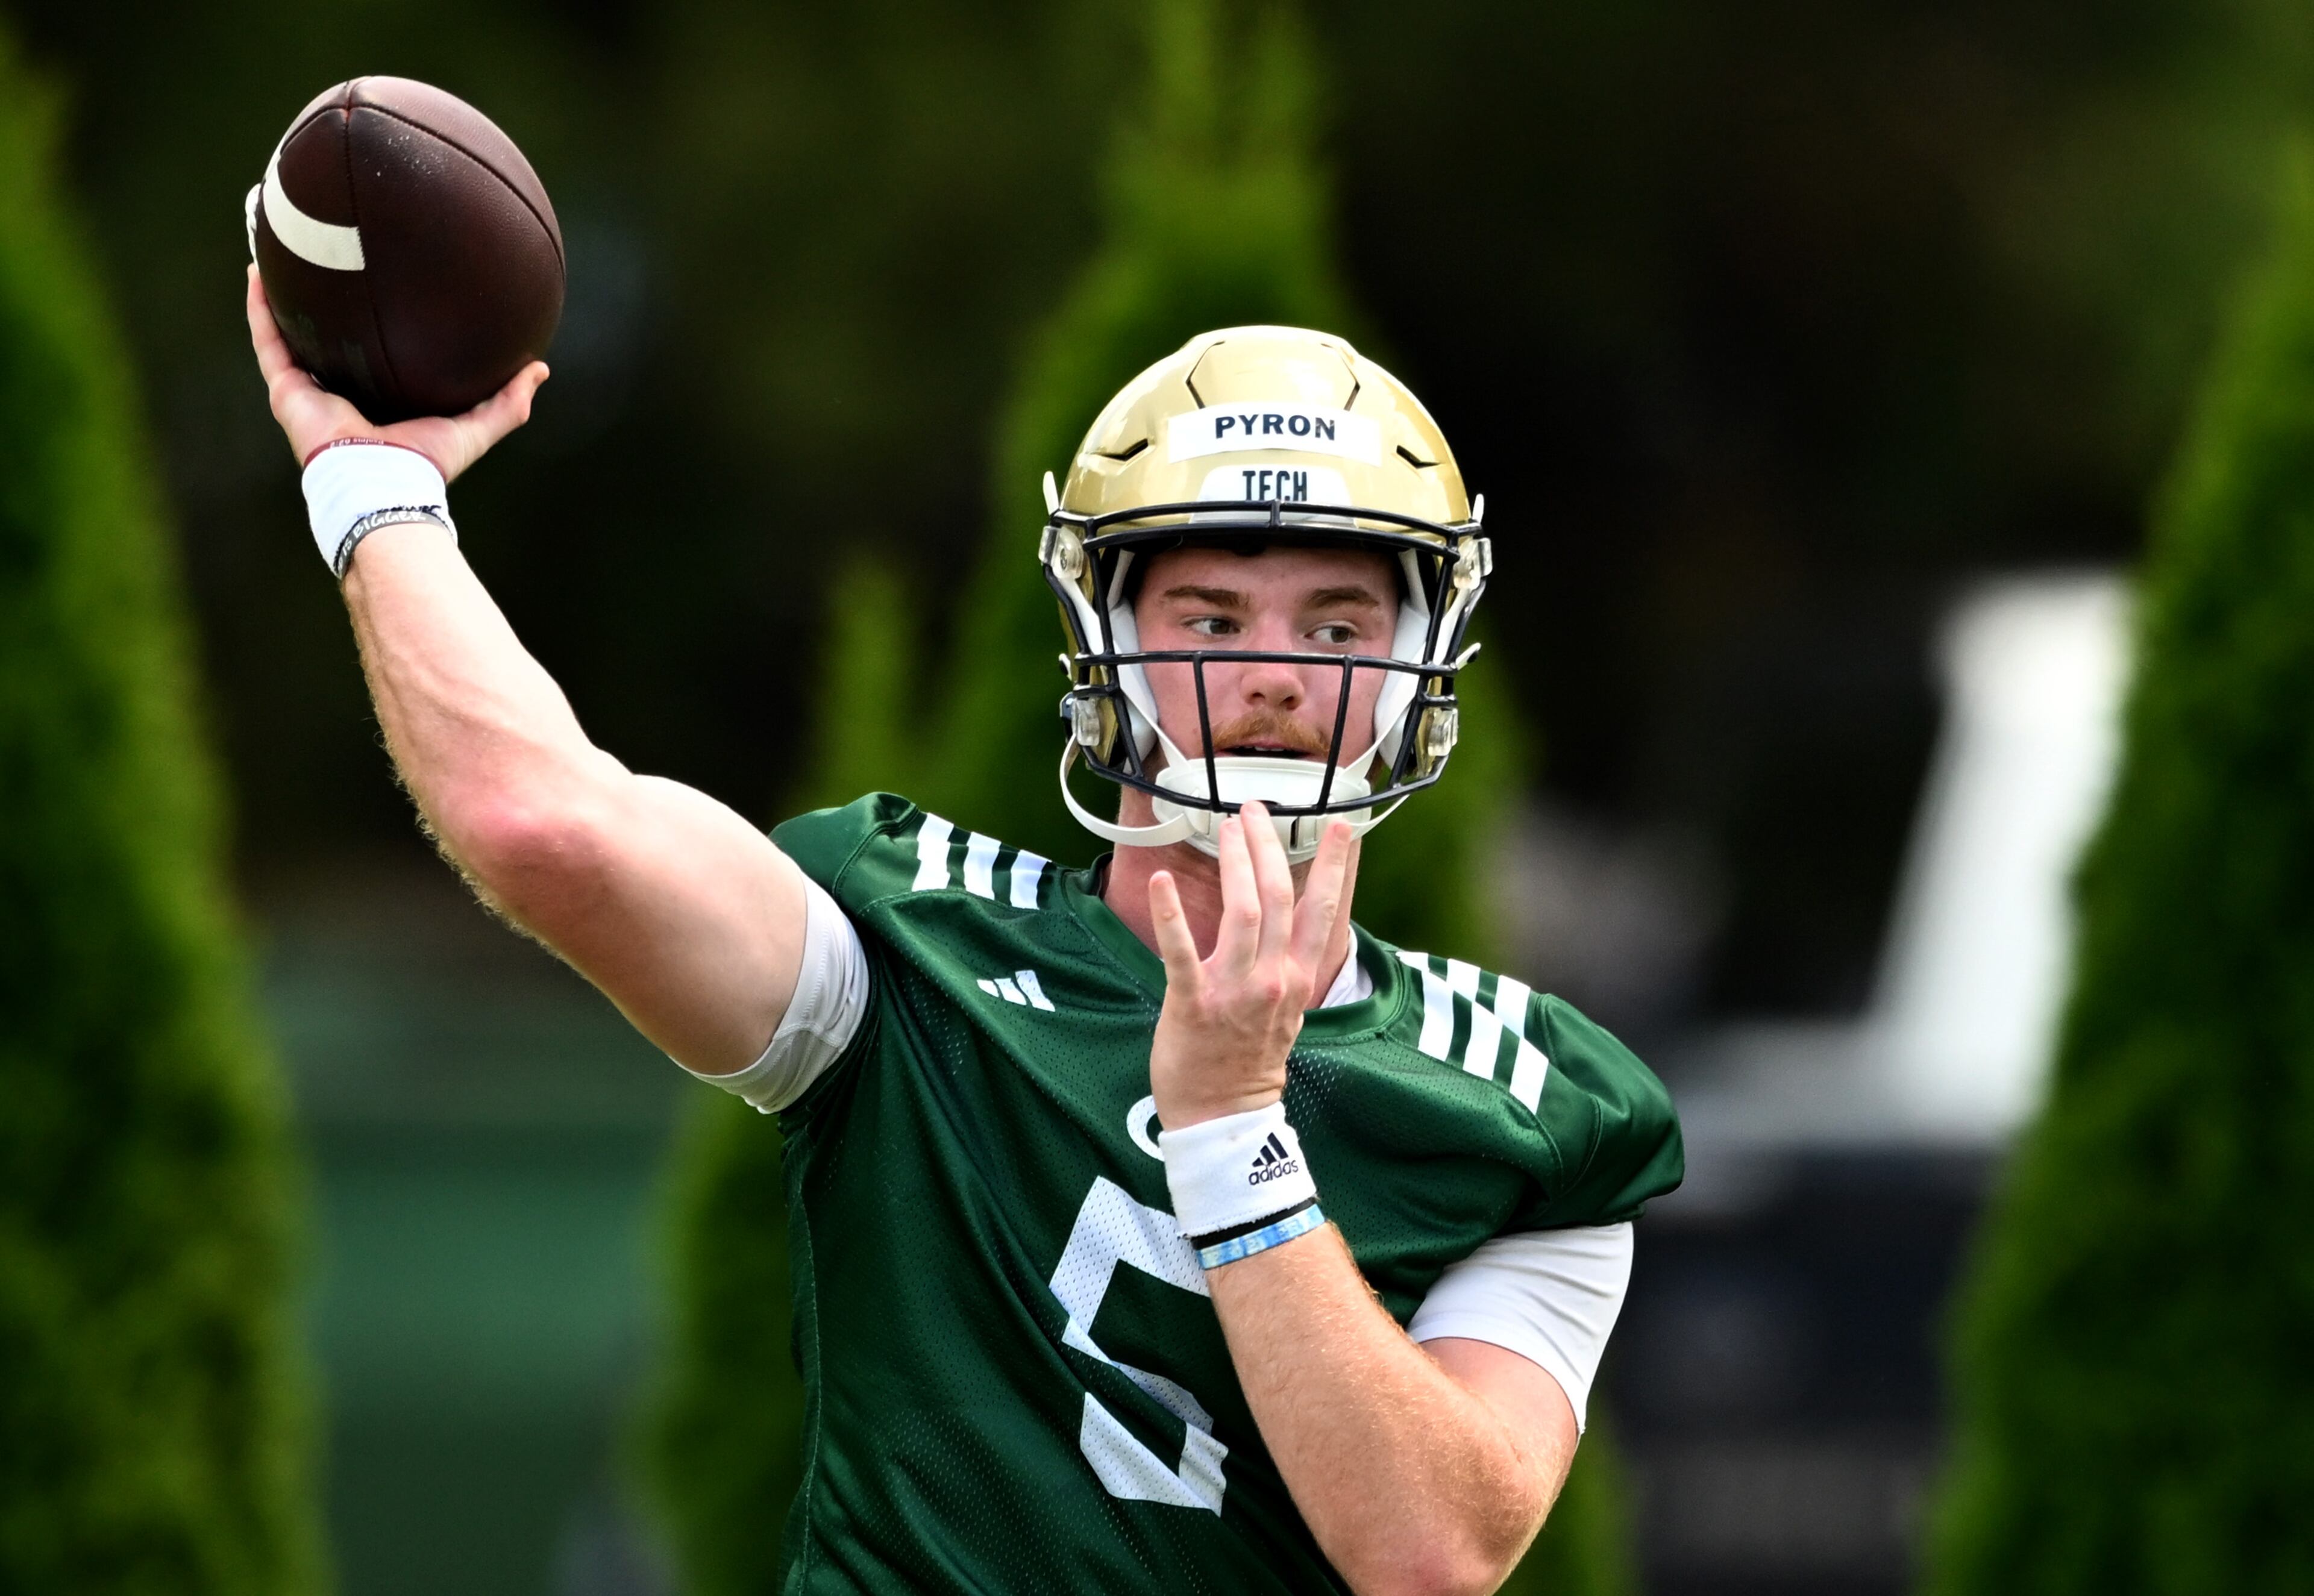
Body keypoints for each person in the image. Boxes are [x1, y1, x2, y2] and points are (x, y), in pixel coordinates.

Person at [246, 281, 1682, 1595]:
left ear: (1421, 663)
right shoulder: (908, 942)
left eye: (1337, 622)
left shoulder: (1533, 1098)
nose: (1267, 677)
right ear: (1102, 642)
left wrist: (1234, 1122)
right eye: (1209, 611)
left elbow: (1430, 1551)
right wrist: (379, 492)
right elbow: (545, 827)